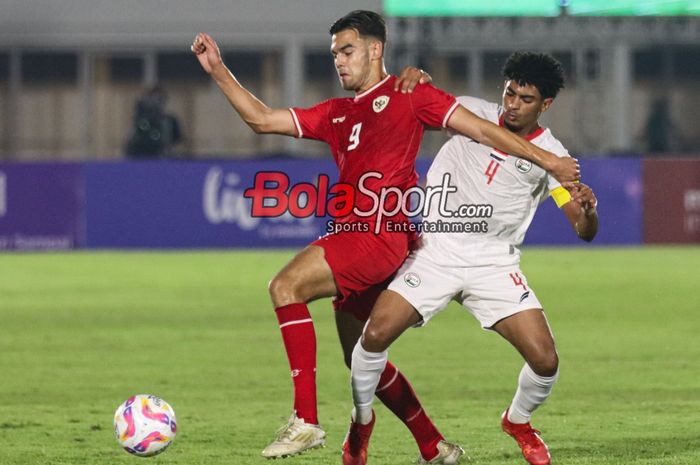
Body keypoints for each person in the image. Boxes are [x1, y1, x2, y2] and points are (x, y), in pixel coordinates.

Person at [191, 10, 579, 463]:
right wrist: (218, 70)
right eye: (335, 52)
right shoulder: (337, 113)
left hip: (379, 235)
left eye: (348, 50)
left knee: (285, 286)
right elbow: (261, 119)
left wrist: (548, 162)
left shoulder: (410, 96)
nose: (339, 60)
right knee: (360, 353)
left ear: (376, 50)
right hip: (371, 237)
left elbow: (487, 133)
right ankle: (430, 444)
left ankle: (306, 421)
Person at [348, 52, 599, 465]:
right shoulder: (470, 113)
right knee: (374, 337)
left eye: (526, 98)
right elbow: (406, 106)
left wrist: (588, 210)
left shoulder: (553, 155)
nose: (513, 104)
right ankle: (360, 424)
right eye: (510, 92)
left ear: (546, 105)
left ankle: (518, 421)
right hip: (436, 253)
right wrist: (411, 80)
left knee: (545, 359)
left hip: (494, 264)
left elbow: (583, 230)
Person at [125, 86, 183, 158]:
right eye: (155, 99)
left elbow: (177, 140)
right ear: (149, 100)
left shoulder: (170, 120)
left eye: (160, 99)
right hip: (141, 155)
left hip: (162, 155)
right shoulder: (141, 120)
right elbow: (131, 138)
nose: (157, 103)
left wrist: (170, 150)